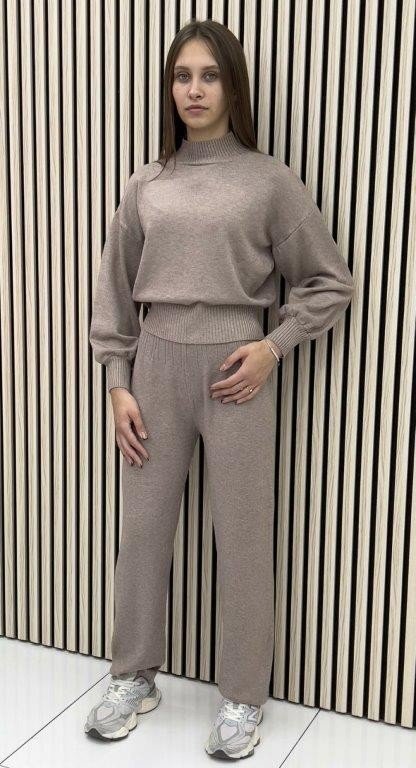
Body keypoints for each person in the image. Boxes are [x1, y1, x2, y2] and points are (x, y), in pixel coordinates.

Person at [84, 18, 355, 761]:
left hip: (238, 372)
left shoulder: (269, 181)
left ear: (233, 86)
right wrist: (118, 384)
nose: (194, 90)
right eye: (182, 76)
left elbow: (330, 282)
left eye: (209, 75)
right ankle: (133, 677)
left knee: (241, 537)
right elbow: (114, 292)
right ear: (169, 89)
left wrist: (273, 347)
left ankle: (242, 698)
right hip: (154, 367)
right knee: (142, 532)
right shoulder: (148, 184)